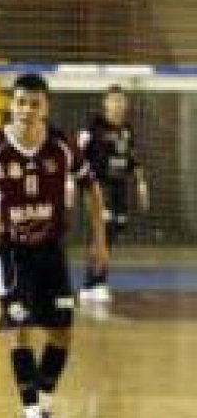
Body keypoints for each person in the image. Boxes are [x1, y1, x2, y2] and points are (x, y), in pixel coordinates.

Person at [0, 73, 110, 418]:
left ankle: (43, 403)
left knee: (62, 333)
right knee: (18, 329)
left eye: (34, 103)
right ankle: (32, 416)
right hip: (9, 250)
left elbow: (92, 189)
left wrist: (99, 240)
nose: (27, 110)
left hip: (50, 249)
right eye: (20, 102)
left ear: (45, 107)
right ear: (11, 106)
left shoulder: (61, 147)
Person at [76, 85, 149, 302]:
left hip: (119, 188)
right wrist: (72, 182)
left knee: (114, 232)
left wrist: (141, 183)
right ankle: (92, 284)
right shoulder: (94, 125)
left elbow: (133, 159)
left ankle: (96, 282)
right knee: (103, 233)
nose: (118, 105)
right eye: (113, 100)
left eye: (121, 101)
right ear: (105, 103)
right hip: (99, 187)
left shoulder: (126, 129)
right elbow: (77, 151)